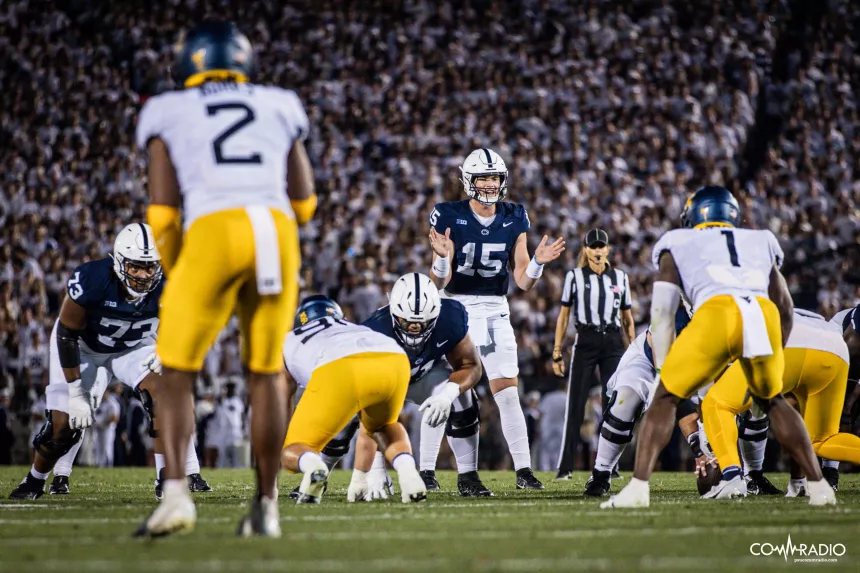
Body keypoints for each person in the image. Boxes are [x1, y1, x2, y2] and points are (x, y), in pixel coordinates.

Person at [135, 20, 315, 537]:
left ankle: (175, 497)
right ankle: (266, 509)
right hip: (275, 233)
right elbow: (304, 203)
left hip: (214, 230)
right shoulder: (280, 102)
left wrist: (182, 270)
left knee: (176, 370)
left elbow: (164, 215)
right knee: (265, 373)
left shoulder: (166, 109)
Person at [602, 186, 834, 508]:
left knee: (665, 396)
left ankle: (638, 489)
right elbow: (784, 306)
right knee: (774, 401)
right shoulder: (761, 239)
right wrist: (773, 352)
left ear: (693, 216)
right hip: (759, 314)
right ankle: (819, 486)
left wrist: (664, 370)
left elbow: (663, 310)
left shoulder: (677, 240)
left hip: (716, 311)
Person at [7, 224, 206, 499]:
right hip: (82, 346)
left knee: (166, 395)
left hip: (133, 347)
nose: (144, 275)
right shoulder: (94, 278)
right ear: (120, 262)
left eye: (150, 267)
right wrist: (76, 391)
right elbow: (66, 334)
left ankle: (166, 479)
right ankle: (35, 479)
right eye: (136, 267)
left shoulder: (171, 282)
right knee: (63, 427)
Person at [428, 147, 565, 489]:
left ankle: (524, 471)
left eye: (494, 178)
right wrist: (443, 259)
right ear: (468, 181)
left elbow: (521, 280)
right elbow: (437, 282)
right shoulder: (448, 215)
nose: (489, 185)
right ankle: (430, 471)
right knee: (456, 393)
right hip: (456, 306)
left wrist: (538, 262)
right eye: (483, 178)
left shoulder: (515, 216)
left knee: (507, 392)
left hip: (496, 308)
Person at [280, 295, 426, 520]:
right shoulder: (351, 327)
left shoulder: (290, 339)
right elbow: (367, 427)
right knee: (383, 426)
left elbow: (282, 395)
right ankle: (408, 473)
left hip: (339, 366)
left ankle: (313, 468)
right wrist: (360, 476)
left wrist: (287, 436)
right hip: (393, 357)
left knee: (294, 449)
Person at [353, 272, 489, 497]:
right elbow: (366, 400)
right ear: (393, 312)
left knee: (464, 397)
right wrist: (375, 466)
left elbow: (471, 365)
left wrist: (448, 393)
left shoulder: (450, 318)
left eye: (422, 322)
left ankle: (468, 477)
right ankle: (318, 473)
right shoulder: (373, 333)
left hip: (426, 375)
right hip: (387, 385)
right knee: (348, 417)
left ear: (435, 314)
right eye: (407, 321)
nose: (414, 328)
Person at [702, 309, 860, 497]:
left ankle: (732, 478)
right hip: (834, 350)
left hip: (785, 343)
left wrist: (711, 444)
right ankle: (788, 480)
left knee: (717, 403)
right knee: (822, 439)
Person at [552, 228, 635, 480]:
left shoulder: (620, 277)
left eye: (602, 246)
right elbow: (564, 315)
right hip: (585, 340)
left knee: (614, 402)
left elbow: (627, 319)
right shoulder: (575, 277)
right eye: (593, 247)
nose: (598, 251)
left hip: (612, 341)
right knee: (575, 404)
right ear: (586, 250)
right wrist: (557, 351)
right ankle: (565, 467)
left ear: (608, 249)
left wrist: (632, 352)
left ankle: (611, 465)